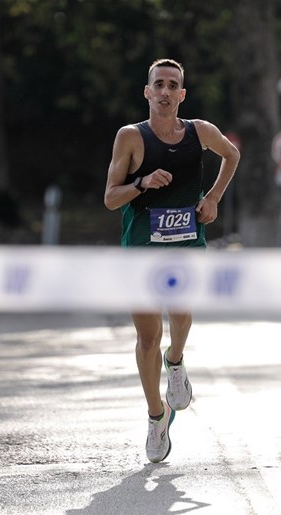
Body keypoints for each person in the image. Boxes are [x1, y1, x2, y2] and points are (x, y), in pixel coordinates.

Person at [103, 58, 240, 462]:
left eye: (172, 85)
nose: (165, 91)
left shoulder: (200, 132)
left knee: (181, 314)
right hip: (142, 249)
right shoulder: (130, 137)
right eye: (158, 84)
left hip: (185, 244)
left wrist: (212, 197)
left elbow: (231, 155)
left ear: (182, 94)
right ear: (147, 92)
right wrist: (141, 183)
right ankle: (155, 416)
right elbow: (111, 198)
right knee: (147, 336)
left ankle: (175, 363)